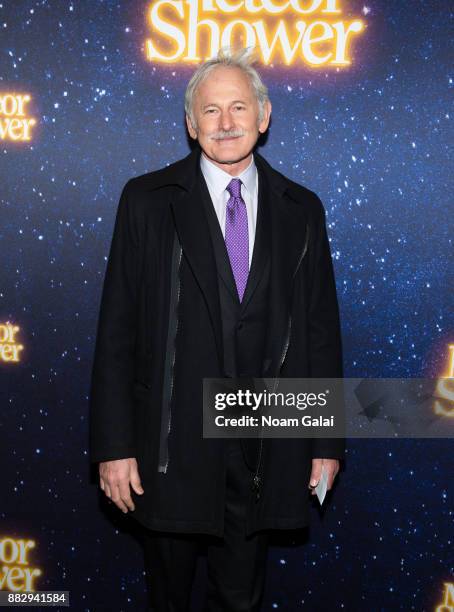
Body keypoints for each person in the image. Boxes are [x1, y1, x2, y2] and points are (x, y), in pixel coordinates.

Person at [89, 45, 345, 612]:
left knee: (241, 600)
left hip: (261, 445)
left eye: (238, 107)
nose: (226, 123)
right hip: (169, 448)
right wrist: (114, 447)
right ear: (189, 123)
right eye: (210, 110)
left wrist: (325, 441)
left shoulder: (302, 209)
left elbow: (319, 331)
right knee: (169, 598)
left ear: (264, 114)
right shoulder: (148, 200)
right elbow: (117, 330)